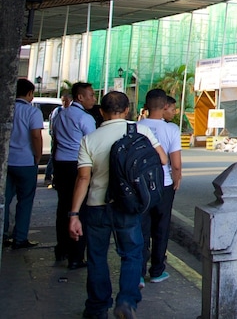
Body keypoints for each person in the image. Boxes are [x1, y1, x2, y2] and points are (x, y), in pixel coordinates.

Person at [68, 91, 168, 319]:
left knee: (96, 256)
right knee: (132, 254)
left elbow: (83, 178)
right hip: (128, 204)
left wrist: (74, 214)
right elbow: (162, 159)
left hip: (96, 206)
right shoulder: (140, 130)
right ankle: (126, 301)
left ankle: (97, 306)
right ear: (127, 111)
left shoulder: (89, 139)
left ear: (101, 112)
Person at [138, 90, 182, 285]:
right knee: (161, 228)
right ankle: (157, 270)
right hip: (164, 184)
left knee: (141, 228)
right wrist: (177, 178)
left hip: (140, 186)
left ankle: (137, 272)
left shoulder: (136, 127)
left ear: (146, 106)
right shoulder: (171, 130)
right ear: (165, 106)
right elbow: (176, 162)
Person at [53, 81, 97, 268]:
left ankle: (61, 248)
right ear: (80, 97)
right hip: (78, 165)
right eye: (91, 95)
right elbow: (93, 144)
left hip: (60, 163)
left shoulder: (60, 115)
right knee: (79, 209)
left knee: (63, 206)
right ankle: (76, 256)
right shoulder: (85, 118)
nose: (93, 99)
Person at [4, 78, 44, 248]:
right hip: (26, 161)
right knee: (25, 200)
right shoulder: (32, 112)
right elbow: (36, 135)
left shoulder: (7, 109)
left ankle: (3, 234)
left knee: (4, 200)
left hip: (8, 161)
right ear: (29, 93)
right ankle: (20, 237)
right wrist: (38, 156)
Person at [44, 90, 72, 185]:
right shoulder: (58, 111)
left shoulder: (71, 111)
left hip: (66, 138)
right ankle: (48, 175)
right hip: (56, 137)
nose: (65, 103)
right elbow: (53, 125)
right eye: (63, 101)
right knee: (53, 156)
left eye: (66, 101)